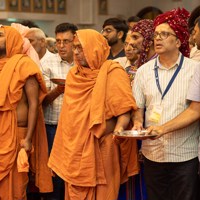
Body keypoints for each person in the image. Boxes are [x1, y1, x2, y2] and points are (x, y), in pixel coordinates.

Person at [48, 29, 139, 200]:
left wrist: (119, 129)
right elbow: (69, 118)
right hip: (74, 148)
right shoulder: (73, 75)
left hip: (103, 144)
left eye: (81, 47)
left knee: (104, 192)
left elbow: (124, 108)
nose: (75, 52)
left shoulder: (112, 71)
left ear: (95, 48)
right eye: (74, 47)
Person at [132, 8, 200, 200]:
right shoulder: (143, 71)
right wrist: (137, 123)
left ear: (178, 41)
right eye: (156, 35)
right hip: (152, 153)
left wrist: (162, 129)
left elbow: (196, 111)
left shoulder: (195, 69)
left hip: (184, 154)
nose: (158, 39)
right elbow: (139, 108)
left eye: (164, 34)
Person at [0, 25, 52, 199]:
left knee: (16, 186)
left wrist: (28, 138)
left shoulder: (24, 65)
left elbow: (33, 104)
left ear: (12, 40)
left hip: (18, 135)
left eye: (0, 35)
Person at [42, 22, 78, 200]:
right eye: (58, 42)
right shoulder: (47, 63)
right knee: (54, 175)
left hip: (77, 129)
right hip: (53, 127)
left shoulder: (83, 61)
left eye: (66, 41)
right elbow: (41, 101)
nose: (61, 46)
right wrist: (59, 89)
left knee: (74, 174)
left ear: (75, 40)